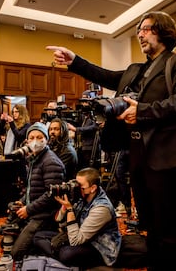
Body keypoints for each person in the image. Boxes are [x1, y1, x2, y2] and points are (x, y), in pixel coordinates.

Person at [47, 11, 176, 270]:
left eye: (147, 29)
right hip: (137, 156)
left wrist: (142, 111)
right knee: (149, 226)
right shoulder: (135, 70)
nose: (140, 34)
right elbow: (105, 75)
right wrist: (75, 61)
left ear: (164, 31)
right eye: (139, 29)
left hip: (166, 158)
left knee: (168, 229)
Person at [34, 167, 121, 268]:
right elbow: (59, 222)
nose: (76, 188)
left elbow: (75, 241)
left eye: (81, 186)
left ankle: (56, 253)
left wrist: (70, 209)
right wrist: (64, 207)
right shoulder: (82, 195)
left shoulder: (101, 208)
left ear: (93, 188)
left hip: (99, 247)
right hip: (81, 236)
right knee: (38, 236)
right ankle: (57, 253)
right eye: (75, 183)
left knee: (66, 254)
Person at [10, 122, 66, 263]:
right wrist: (22, 201)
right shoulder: (35, 159)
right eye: (31, 137)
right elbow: (32, 187)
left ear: (46, 139)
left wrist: (28, 209)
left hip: (45, 215)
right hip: (35, 211)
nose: (35, 141)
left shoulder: (51, 161)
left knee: (17, 252)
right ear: (27, 141)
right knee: (7, 237)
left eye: (39, 137)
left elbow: (52, 195)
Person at [67, 91, 100, 169]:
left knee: (90, 168)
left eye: (86, 101)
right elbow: (78, 124)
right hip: (81, 146)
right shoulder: (83, 114)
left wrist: (76, 129)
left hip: (92, 146)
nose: (84, 104)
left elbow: (94, 127)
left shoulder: (96, 113)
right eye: (83, 101)